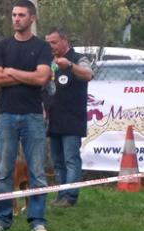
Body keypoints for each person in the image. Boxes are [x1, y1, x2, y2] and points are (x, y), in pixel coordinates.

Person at [0, 0, 52, 231]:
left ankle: (37, 220)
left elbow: (42, 79)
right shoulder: (2, 46)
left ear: (32, 18)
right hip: (6, 115)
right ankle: (2, 218)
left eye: (21, 15)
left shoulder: (42, 47)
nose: (16, 19)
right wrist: (29, 76)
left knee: (36, 170)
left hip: (33, 116)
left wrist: (12, 72)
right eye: (14, 15)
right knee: (5, 170)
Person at [44, 27, 93, 207]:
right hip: (54, 117)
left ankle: (71, 196)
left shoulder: (78, 58)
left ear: (65, 41)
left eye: (54, 42)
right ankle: (61, 194)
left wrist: (70, 66)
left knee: (71, 158)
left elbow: (88, 74)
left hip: (72, 117)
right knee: (57, 161)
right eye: (49, 43)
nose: (51, 46)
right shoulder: (49, 61)